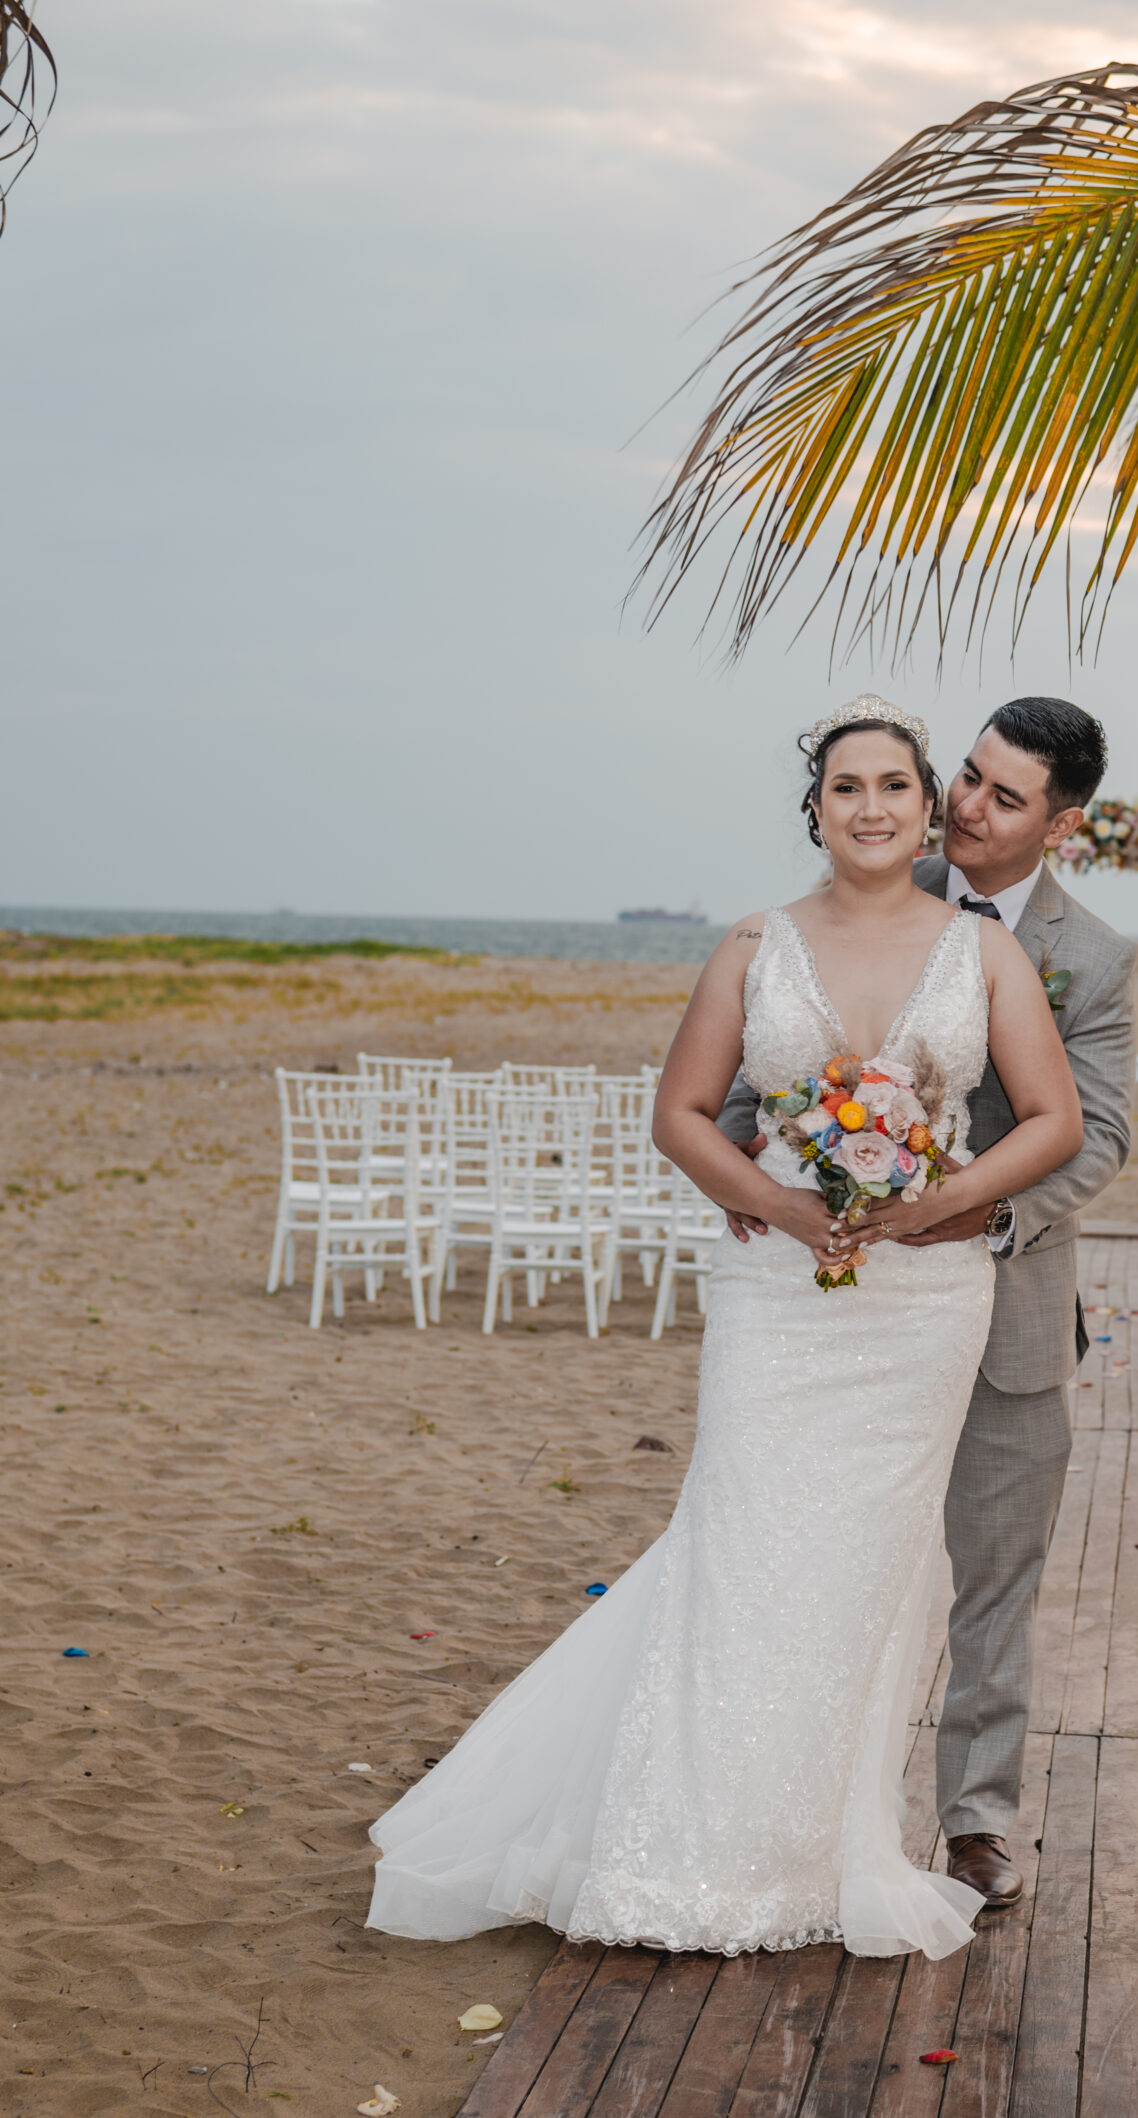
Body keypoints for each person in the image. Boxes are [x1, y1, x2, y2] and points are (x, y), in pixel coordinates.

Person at [366, 697, 1083, 1961]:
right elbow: (683, 1113)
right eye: (846, 786)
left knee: (865, 1573)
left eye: (894, 786)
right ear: (815, 808)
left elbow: (1054, 1121)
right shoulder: (754, 945)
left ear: (928, 809)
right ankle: (688, 1844)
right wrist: (784, 1206)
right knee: (743, 1539)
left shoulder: (983, 954)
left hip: (922, 1305)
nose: (871, 807)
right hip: (775, 1295)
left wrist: (941, 1200)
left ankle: (817, 1846)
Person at [723, 697, 1137, 1911]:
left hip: (1003, 1307)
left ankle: (974, 1823)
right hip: (842, 1304)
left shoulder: (1090, 956)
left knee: (994, 1580)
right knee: (817, 1549)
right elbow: (773, 1041)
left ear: (1061, 825)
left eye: (1005, 798)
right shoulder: (857, 893)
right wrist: (749, 1153)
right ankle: (796, 1806)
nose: (965, 806)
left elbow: (1098, 1132)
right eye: (965, 775)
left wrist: (985, 1217)